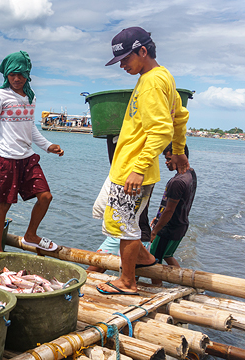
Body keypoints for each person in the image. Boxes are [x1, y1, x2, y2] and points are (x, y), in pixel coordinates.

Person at [96, 27, 190, 295]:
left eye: (126, 59)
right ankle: (147, 260)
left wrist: (137, 169)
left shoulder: (151, 83)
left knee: (124, 226)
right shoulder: (163, 77)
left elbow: (161, 129)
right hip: (131, 167)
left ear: (143, 51)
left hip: (132, 169)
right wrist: (179, 149)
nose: (122, 65)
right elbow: (180, 117)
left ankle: (127, 282)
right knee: (120, 221)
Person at [0, 50, 64, 253]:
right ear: (6, 75)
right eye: (12, 75)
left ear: (28, 74)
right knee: (3, 206)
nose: (17, 79)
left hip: (28, 159)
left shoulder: (30, 97)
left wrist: (47, 146)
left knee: (46, 197)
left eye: (21, 74)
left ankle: (31, 235)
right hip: (6, 161)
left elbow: (30, 127)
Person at [149, 143, 196, 285]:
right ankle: (186, 283)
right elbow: (173, 206)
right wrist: (158, 217)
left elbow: (169, 211)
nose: (166, 162)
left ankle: (156, 290)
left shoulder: (177, 182)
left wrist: (155, 231)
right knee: (168, 255)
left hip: (168, 229)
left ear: (180, 158)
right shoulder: (191, 173)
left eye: (169, 159)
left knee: (153, 263)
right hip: (181, 225)